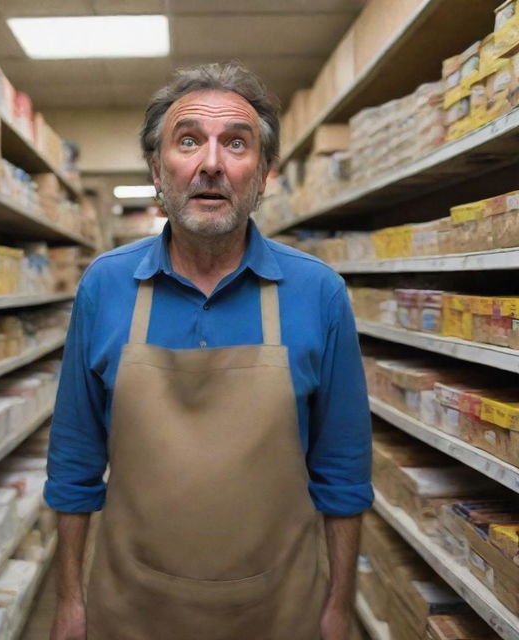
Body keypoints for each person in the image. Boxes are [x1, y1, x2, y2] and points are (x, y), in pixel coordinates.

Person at [46, 62, 373, 640]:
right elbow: (74, 462)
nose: (212, 163)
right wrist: (71, 602)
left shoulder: (318, 292)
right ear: (157, 170)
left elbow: (343, 471)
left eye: (237, 144)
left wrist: (339, 606)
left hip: (279, 610)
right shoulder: (104, 286)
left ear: (264, 175)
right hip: (130, 608)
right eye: (189, 140)